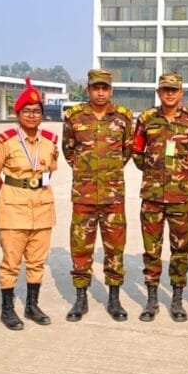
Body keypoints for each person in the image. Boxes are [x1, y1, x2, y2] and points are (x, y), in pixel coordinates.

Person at [62, 69, 133, 322]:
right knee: (81, 248)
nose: (100, 92)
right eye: (95, 88)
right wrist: (87, 173)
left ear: (110, 90)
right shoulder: (73, 117)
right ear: (88, 89)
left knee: (115, 248)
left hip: (113, 197)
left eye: (104, 88)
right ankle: (81, 299)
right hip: (84, 196)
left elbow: (126, 153)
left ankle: (114, 298)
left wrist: (108, 173)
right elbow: (69, 152)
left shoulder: (123, 118)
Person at [0, 78, 58, 330]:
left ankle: (32, 305)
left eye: (36, 111)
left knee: (37, 261)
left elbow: (50, 171)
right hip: (14, 208)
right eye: (26, 111)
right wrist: (8, 193)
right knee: (11, 261)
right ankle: (8, 309)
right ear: (18, 114)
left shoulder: (50, 141)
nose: (32, 115)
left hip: (42, 207)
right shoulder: (5, 141)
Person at [132, 72, 188, 322]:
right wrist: (155, 171)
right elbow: (138, 154)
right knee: (152, 250)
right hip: (152, 196)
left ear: (181, 93)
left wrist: (177, 174)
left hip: (180, 198)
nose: (169, 94)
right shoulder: (147, 119)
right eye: (165, 90)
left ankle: (177, 299)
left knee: (180, 250)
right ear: (159, 92)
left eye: (174, 90)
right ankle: (152, 299)